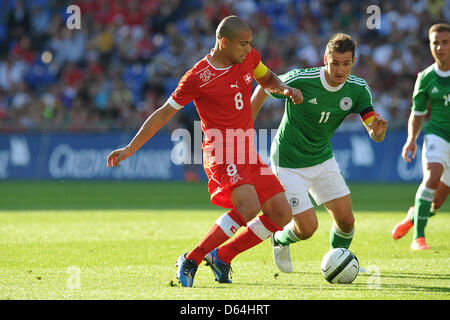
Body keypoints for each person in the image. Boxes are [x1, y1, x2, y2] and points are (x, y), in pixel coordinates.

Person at [106, 15, 303, 287]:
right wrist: (131, 147)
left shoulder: (249, 58)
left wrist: (284, 89)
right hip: (221, 150)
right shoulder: (198, 77)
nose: (249, 49)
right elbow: (164, 114)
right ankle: (191, 258)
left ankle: (222, 256)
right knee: (248, 206)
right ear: (224, 42)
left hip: (246, 148)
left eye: (250, 44)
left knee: (281, 214)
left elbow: (268, 79)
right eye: (243, 44)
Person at [251, 33, 388, 273]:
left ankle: (340, 261)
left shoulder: (358, 89)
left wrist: (377, 132)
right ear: (325, 59)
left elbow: (373, 131)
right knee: (307, 228)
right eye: (335, 62)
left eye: (346, 63)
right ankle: (279, 239)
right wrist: (245, 123)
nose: (340, 69)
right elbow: (265, 87)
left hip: (322, 158)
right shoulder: (301, 79)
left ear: (353, 62)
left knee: (346, 221)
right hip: (288, 161)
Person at [392, 23, 450, 250]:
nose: (440, 47)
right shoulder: (425, 78)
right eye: (435, 42)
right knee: (432, 176)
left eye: (445, 42)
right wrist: (411, 140)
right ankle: (419, 238)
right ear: (430, 45)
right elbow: (417, 115)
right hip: (437, 135)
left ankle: (412, 217)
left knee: (435, 204)